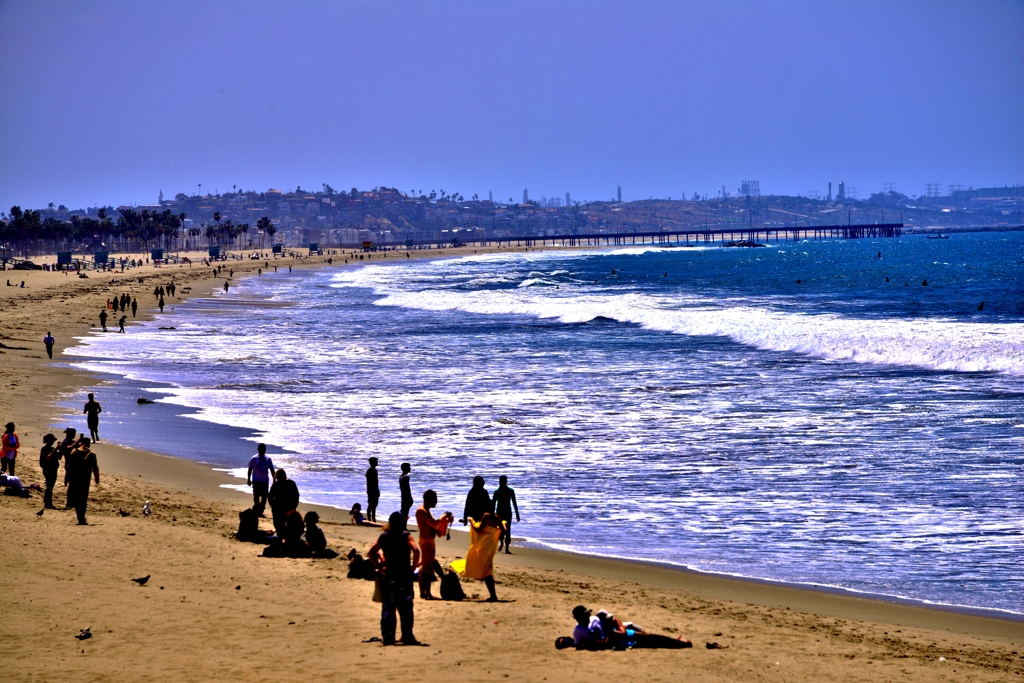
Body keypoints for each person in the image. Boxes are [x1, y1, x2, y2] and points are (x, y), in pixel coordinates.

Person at [367, 512, 421, 646]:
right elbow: (416, 550)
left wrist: (380, 567)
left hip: (389, 575)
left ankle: (388, 636)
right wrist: (413, 568)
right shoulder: (405, 536)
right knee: (406, 607)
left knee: (388, 607)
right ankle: (407, 635)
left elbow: (371, 553)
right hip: (403, 575)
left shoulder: (384, 537)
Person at [449, 512, 505, 602]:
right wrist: (503, 524)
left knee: (483, 568)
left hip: (483, 546)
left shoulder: (486, 515)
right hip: (490, 547)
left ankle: (493, 595)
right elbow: (504, 531)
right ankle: (493, 595)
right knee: (487, 569)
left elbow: (479, 530)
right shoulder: (497, 518)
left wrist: (471, 522)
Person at [414, 490, 453, 599]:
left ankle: (428, 593)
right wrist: (444, 516)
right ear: (427, 500)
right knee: (425, 568)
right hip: (425, 541)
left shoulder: (427, 511)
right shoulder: (421, 511)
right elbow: (435, 524)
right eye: (434, 500)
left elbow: (434, 528)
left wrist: (446, 521)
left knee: (429, 568)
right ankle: (423, 593)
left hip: (430, 540)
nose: (436, 502)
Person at [65, 436, 99, 525]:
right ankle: (82, 518)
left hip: (74, 479)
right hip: (85, 480)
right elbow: (95, 468)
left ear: (81, 443)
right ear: (88, 444)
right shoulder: (92, 454)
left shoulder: (74, 451)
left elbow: (69, 467)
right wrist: (97, 479)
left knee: (76, 499)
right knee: (83, 499)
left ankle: (79, 517)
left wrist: (66, 478)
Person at [493, 475, 520, 553]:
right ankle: (502, 544)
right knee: (502, 530)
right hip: (502, 513)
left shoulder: (507, 491)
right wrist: (492, 514)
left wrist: (517, 514)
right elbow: (493, 504)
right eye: (501, 481)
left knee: (506, 530)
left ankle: (506, 548)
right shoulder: (498, 491)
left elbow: (514, 503)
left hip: (504, 513)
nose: (501, 483)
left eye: (502, 481)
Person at [268, 468, 300, 535]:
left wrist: (273, 506)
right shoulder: (291, 483)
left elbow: (270, 497)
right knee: (289, 524)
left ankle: (282, 537)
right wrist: (294, 506)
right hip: (288, 506)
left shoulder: (276, 485)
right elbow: (296, 496)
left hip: (279, 507)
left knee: (279, 524)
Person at [246, 443, 275, 515]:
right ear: (258, 450)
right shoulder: (254, 458)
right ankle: (257, 508)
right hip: (256, 480)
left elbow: (272, 470)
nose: (262, 451)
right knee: (256, 495)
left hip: (265, 480)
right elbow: (250, 469)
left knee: (264, 497)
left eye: (264, 450)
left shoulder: (268, 459)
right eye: (261, 449)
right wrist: (249, 479)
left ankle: (261, 510)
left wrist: (274, 479)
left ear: (265, 450)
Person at [39, 433, 62, 508]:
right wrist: (56, 449)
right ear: (48, 440)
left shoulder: (52, 449)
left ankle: (47, 501)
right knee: (49, 486)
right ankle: (48, 503)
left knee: (50, 486)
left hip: (53, 469)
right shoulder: (44, 449)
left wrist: (60, 449)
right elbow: (48, 458)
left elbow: (59, 457)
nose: (52, 442)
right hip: (48, 469)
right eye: (51, 440)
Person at [365, 457, 380, 523]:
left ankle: (372, 518)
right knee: (371, 504)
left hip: (374, 489)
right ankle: (370, 519)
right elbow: (371, 482)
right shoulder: (371, 471)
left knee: (374, 504)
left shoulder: (374, 470)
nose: (377, 462)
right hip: (372, 490)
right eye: (376, 461)